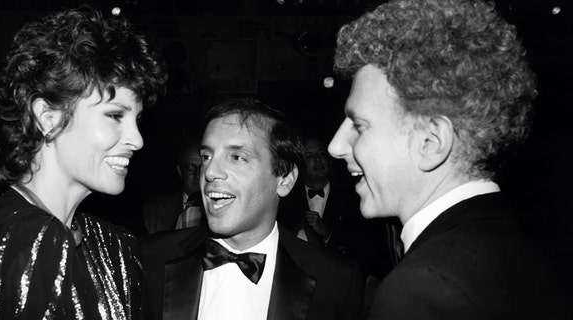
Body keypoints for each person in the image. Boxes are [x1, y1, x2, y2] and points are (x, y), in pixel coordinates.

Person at [327, 0, 570, 318]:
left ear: (431, 142)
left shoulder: (421, 291)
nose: (335, 146)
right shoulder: (520, 250)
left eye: (359, 125)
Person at [0, 6, 166, 319]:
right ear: (47, 117)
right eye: (115, 115)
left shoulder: (111, 243)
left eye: (137, 120)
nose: (137, 139)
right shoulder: (26, 239)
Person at [140, 98, 363, 320]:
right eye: (207, 157)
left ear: (284, 179)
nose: (209, 172)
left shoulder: (335, 282)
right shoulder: (151, 258)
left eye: (237, 157)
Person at [278, 136, 393, 280]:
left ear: (330, 160)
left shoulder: (355, 198)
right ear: (300, 164)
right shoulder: (286, 202)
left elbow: (368, 248)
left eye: (321, 154)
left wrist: (328, 234)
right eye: (310, 156)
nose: (318, 160)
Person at [141, 135, 205, 234]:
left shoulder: (222, 208)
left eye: (203, 168)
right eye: (190, 167)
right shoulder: (154, 210)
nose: (197, 175)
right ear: (180, 172)